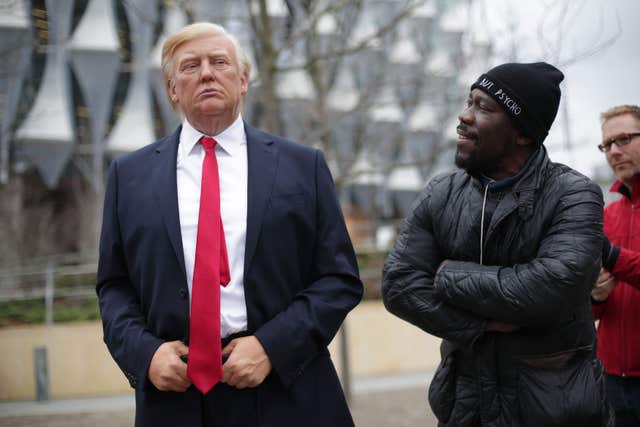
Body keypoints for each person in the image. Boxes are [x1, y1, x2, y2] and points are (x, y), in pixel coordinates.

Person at [96, 22, 362, 427]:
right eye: (190, 66)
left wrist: (271, 347)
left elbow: (338, 278)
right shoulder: (127, 177)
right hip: (174, 400)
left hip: (288, 391)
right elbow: (114, 286)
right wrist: (144, 354)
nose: (206, 73)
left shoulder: (302, 166)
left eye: (219, 62)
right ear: (172, 89)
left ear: (242, 81)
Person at [382, 62, 611, 426]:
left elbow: (549, 290)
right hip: (464, 406)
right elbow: (398, 285)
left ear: (523, 133)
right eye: (469, 102)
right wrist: (479, 324)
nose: (464, 116)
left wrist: (447, 276)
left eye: (483, 107)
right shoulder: (441, 193)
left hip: (554, 411)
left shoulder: (575, 195)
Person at [592, 105, 640, 426]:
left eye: (624, 138)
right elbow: (591, 312)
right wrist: (595, 295)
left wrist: (611, 256)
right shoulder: (607, 216)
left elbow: (613, 259)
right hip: (611, 380)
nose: (614, 151)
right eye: (607, 144)